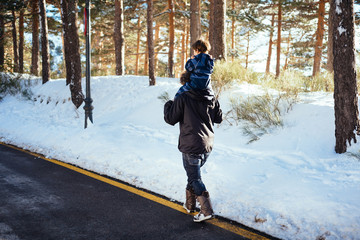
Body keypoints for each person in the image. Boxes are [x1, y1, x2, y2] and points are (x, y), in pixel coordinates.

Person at [164, 75, 223, 222]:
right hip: (207, 144)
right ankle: (190, 205)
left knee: (194, 177)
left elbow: (170, 119)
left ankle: (206, 210)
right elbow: (218, 118)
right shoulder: (210, 96)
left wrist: (168, 104)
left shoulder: (183, 96)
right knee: (193, 174)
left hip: (191, 143)